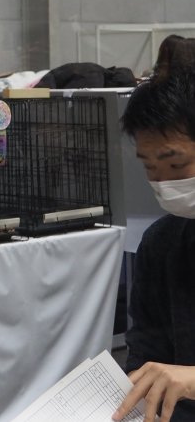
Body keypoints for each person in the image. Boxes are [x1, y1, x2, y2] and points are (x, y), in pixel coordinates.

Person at [113, 70, 195, 422]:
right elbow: (146, 348)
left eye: (176, 164)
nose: (163, 183)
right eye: (149, 167)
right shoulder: (162, 242)